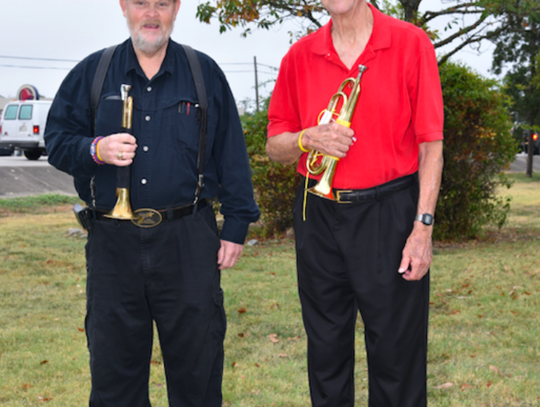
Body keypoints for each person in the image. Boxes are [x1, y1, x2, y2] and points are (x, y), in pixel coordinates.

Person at [44, 0, 259, 405]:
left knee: (198, 372)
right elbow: (55, 141)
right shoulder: (93, 72)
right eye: (141, 2)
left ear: (176, 8)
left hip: (188, 242)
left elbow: (231, 153)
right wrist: (95, 148)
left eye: (162, 3)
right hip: (112, 244)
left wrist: (235, 226)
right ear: (124, 7)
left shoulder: (204, 73)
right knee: (114, 377)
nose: (151, 13)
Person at [266, 0, 444, 406]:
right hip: (317, 212)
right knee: (325, 349)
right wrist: (305, 138)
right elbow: (274, 146)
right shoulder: (299, 55)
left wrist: (422, 228)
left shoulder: (410, 43)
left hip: (389, 214)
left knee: (397, 356)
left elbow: (431, 147)